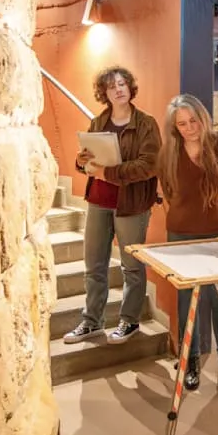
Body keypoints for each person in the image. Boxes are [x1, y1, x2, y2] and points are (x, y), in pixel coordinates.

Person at [157, 93, 218, 397]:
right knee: (187, 303)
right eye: (181, 124)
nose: (188, 128)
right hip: (181, 236)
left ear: (202, 117)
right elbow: (168, 192)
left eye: (192, 121)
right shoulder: (169, 152)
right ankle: (191, 362)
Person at [65, 66, 161, 345]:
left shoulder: (146, 123)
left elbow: (149, 166)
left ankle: (129, 321)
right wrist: (81, 162)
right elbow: (89, 161)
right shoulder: (98, 121)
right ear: (104, 93)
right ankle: (92, 321)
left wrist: (109, 173)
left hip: (131, 204)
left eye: (122, 84)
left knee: (132, 266)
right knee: (94, 265)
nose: (118, 89)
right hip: (98, 200)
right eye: (111, 86)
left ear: (130, 88)